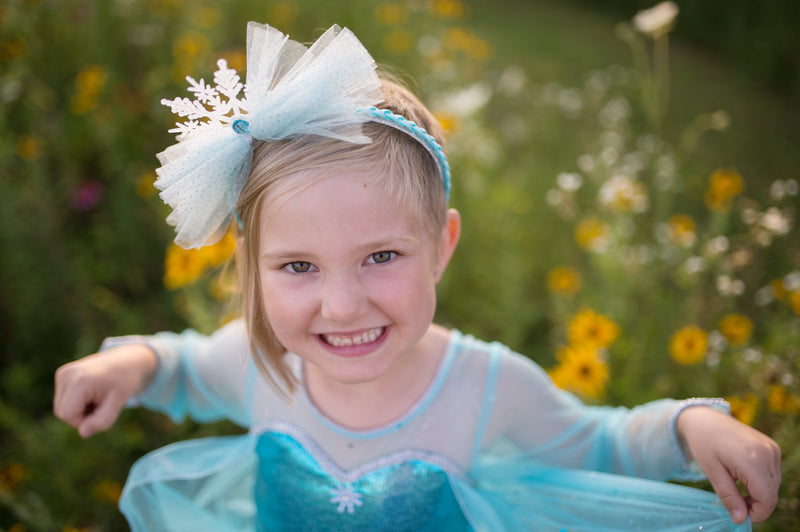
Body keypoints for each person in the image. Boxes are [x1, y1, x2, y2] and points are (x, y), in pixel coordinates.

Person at [53, 22, 780, 532]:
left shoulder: (487, 386)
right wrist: (126, 364)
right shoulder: (260, 365)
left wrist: (693, 424)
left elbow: (605, 442)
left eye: (382, 257)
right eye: (298, 266)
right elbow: (179, 367)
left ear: (442, 245)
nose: (343, 304)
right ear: (251, 267)